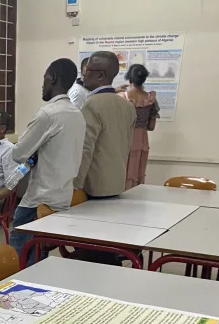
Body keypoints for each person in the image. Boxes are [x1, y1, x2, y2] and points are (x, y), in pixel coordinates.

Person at [10, 58, 87, 264]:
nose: (42, 85)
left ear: (52, 78)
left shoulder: (47, 114)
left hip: (37, 202)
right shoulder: (77, 115)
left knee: (21, 262)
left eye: (44, 78)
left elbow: (18, 154)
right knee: (40, 256)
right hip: (62, 198)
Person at [75, 51, 137, 199]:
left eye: (88, 70)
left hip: (93, 187)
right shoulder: (127, 106)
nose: (83, 75)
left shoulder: (92, 105)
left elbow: (85, 149)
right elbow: (127, 146)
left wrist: (74, 186)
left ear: (101, 75)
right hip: (117, 184)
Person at [120, 64, 160, 190]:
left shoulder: (122, 97)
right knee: (138, 170)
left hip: (125, 138)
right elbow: (151, 126)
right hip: (142, 139)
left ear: (129, 78)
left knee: (123, 171)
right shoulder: (150, 99)